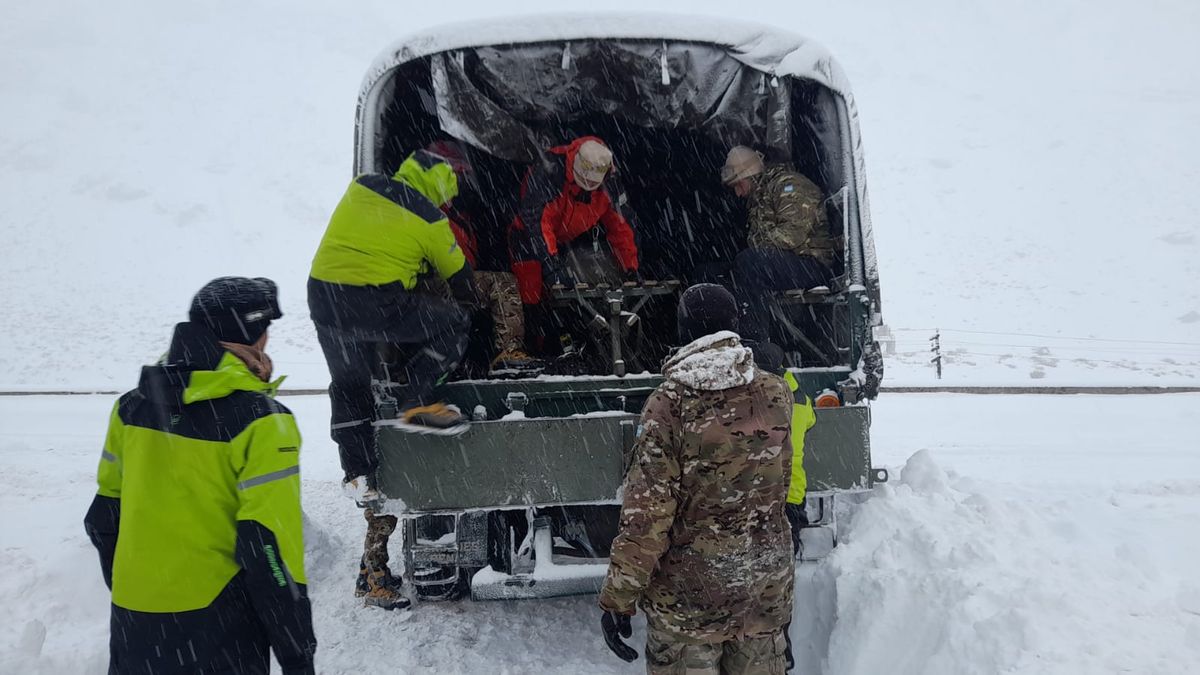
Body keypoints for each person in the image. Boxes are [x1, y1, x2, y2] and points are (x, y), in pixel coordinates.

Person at [84, 277, 316, 674]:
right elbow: (269, 549)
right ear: (256, 338)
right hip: (219, 627)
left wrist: (139, 592)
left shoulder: (130, 409)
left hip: (134, 622)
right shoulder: (262, 422)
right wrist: (297, 654)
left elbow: (104, 519)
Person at [308, 149, 477, 610]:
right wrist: (470, 303)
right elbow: (460, 279)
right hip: (378, 304)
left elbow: (365, 243)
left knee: (348, 383)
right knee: (453, 323)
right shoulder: (428, 217)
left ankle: (357, 471)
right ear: (442, 186)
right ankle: (414, 401)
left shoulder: (360, 185)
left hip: (324, 298)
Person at [598, 283, 795, 674]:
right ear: (735, 325)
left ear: (683, 332)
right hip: (763, 592)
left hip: (690, 605)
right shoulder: (775, 391)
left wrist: (619, 598)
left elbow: (648, 519)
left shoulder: (669, 404)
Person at [721, 145, 839, 341]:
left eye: (738, 185)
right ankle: (717, 342)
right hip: (788, 263)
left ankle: (754, 342)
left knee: (749, 262)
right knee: (712, 273)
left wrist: (755, 247)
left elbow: (791, 236)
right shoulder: (761, 196)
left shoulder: (790, 185)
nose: (738, 194)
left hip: (811, 265)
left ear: (751, 175)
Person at [509, 136, 641, 306]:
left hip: (570, 239)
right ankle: (538, 329)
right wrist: (551, 267)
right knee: (531, 292)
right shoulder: (550, 170)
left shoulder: (610, 180)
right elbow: (538, 222)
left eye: (592, 183)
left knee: (586, 286)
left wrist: (630, 267)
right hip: (527, 236)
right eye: (584, 181)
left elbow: (622, 226)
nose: (587, 185)